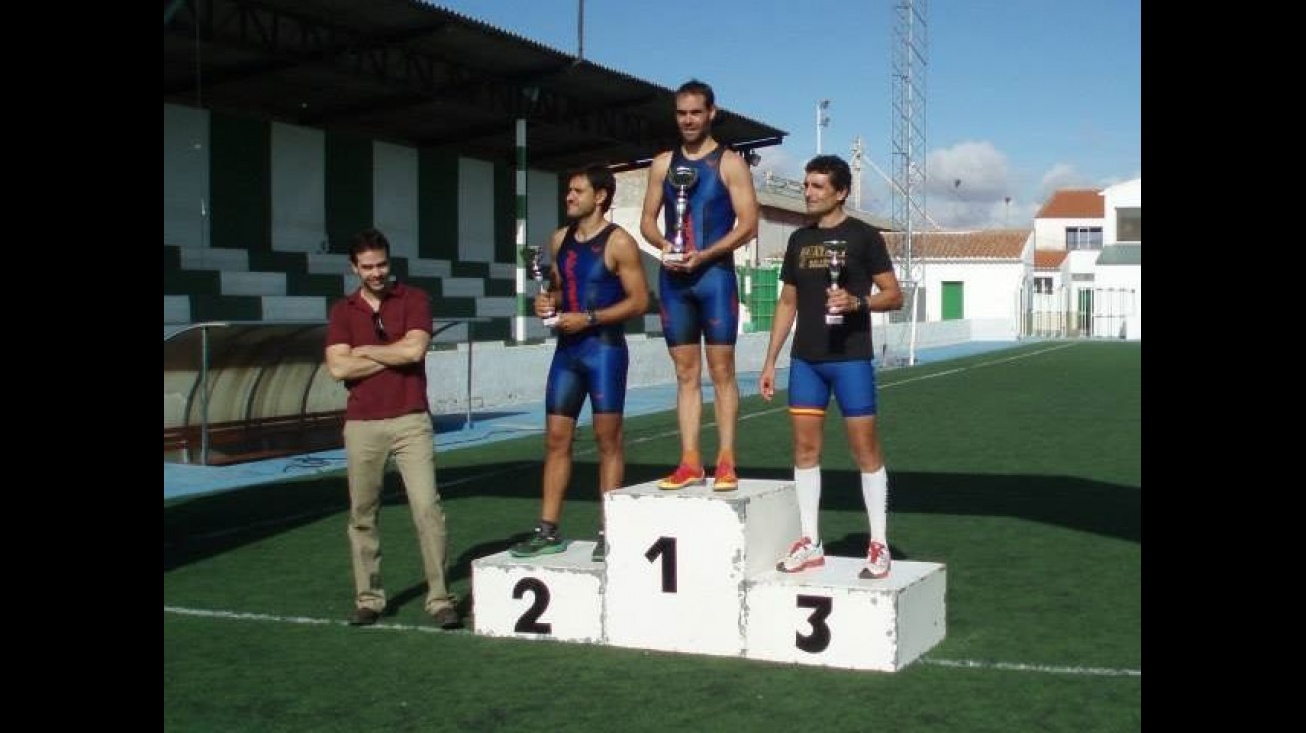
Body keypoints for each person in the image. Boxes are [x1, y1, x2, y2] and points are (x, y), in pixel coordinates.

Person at [758, 155, 904, 580]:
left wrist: (858, 302)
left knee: (865, 450)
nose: (808, 192)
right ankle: (811, 541)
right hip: (806, 361)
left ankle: (878, 543)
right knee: (804, 451)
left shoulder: (864, 238)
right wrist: (770, 360)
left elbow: (894, 295)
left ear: (841, 192)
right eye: (806, 185)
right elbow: (787, 302)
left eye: (818, 186)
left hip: (851, 360)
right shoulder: (799, 240)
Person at [509, 164, 650, 562]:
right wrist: (546, 302)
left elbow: (640, 301)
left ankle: (609, 531)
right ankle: (548, 528)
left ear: (600, 196)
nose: (568, 197)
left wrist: (588, 318)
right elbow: (557, 286)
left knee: (609, 442)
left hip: (604, 351)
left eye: (577, 191)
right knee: (555, 440)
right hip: (568, 353)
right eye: (568, 191)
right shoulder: (559, 239)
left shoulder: (620, 243)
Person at [324, 228, 460, 628]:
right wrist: (391, 354)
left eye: (381, 264)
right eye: (367, 266)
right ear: (354, 268)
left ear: (389, 261)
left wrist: (364, 352)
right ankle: (369, 598)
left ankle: (440, 600)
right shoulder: (342, 311)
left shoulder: (414, 299)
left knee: (427, 509)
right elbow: (338, 367)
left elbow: (415, 349)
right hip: (362, 424)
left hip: (410, 420)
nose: (376, 272)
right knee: (362, 514)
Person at [639, 78, 759, 493]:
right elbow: (647, 222)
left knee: (721, 370)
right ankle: (690, 460)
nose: (688, 120)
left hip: (714, 277)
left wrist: (705, 254)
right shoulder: (661, 164)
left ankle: (726, 460)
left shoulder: (729, 163)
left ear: (711, 113)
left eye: (696, 112)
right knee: (685, 372)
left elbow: (749, 224)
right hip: (674, 279)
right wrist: (665, 248)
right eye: (681, 113)